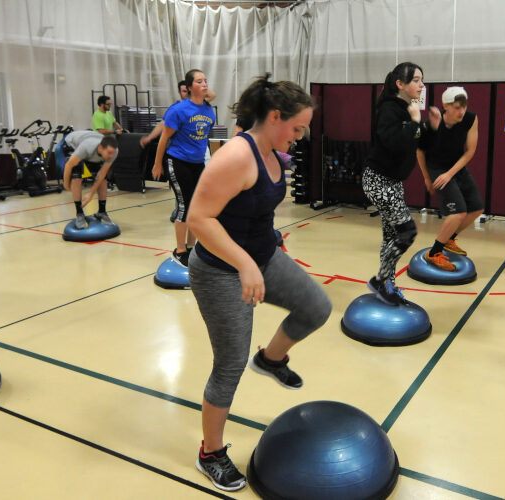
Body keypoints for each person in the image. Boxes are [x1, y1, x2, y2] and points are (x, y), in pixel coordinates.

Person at [187, 75, 330, 492]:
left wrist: (267, 248)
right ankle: (209, 453)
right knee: (229, 364)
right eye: (297, 128)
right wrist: (245, 264)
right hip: (219, 270)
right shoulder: (236, 155)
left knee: (316, 307)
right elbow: (199, 219)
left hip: (261, 257)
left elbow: (254, 211)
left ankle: (270, 359)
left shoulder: (272, 151)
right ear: (274, 117)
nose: (300, 137)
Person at [363, 62, 440, 304]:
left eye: (421, 80)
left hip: (393, 182)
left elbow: (414, 141)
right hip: (378, 181)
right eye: (416, 80)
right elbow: (395, 142)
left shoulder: (406, 108)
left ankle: (387, 284)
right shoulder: (389, 109)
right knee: (407, 232)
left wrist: (429, 127)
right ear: (400, 84)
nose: (421, 85)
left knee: (391, 235)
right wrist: (416, 122)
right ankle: (380, 280)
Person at [152, 69, 216, 266]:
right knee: (184, 205)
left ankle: (191, 247)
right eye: (199, 81)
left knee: (196, 207)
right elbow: (164, 138)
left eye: (205, 80)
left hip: (197, 163)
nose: (204, 84)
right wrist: (157, 164)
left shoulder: (208, 111)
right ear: (188, 88)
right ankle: (179, 251)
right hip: (178, 161)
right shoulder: (179, 110)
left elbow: (204, 138)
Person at [415, 86, 483, 271]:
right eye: (457, 107)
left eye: (464, 106)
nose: (461, 111)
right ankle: (434, 252)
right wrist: (427, 178)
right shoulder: (430, 126)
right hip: (436, 168)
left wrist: (451, 173)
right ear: (445, 105)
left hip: (455, 167)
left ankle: (449, 240)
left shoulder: (470, 119)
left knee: (477, 208)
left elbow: (470, 151)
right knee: (458, 213)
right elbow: (420, 152)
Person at [57, 130, 119, 228]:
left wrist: (91, 193)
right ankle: (80, 213)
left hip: (91, 144)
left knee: (103, 179)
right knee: (77, 177)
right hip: (72, 144)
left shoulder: (114, 151)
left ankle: (102, 212)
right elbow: (69, 165)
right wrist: (65, 184)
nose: (111, 156)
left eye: (113, 153)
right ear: (100, 148)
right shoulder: (86, 147)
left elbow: (102, 174)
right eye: (109, 153)